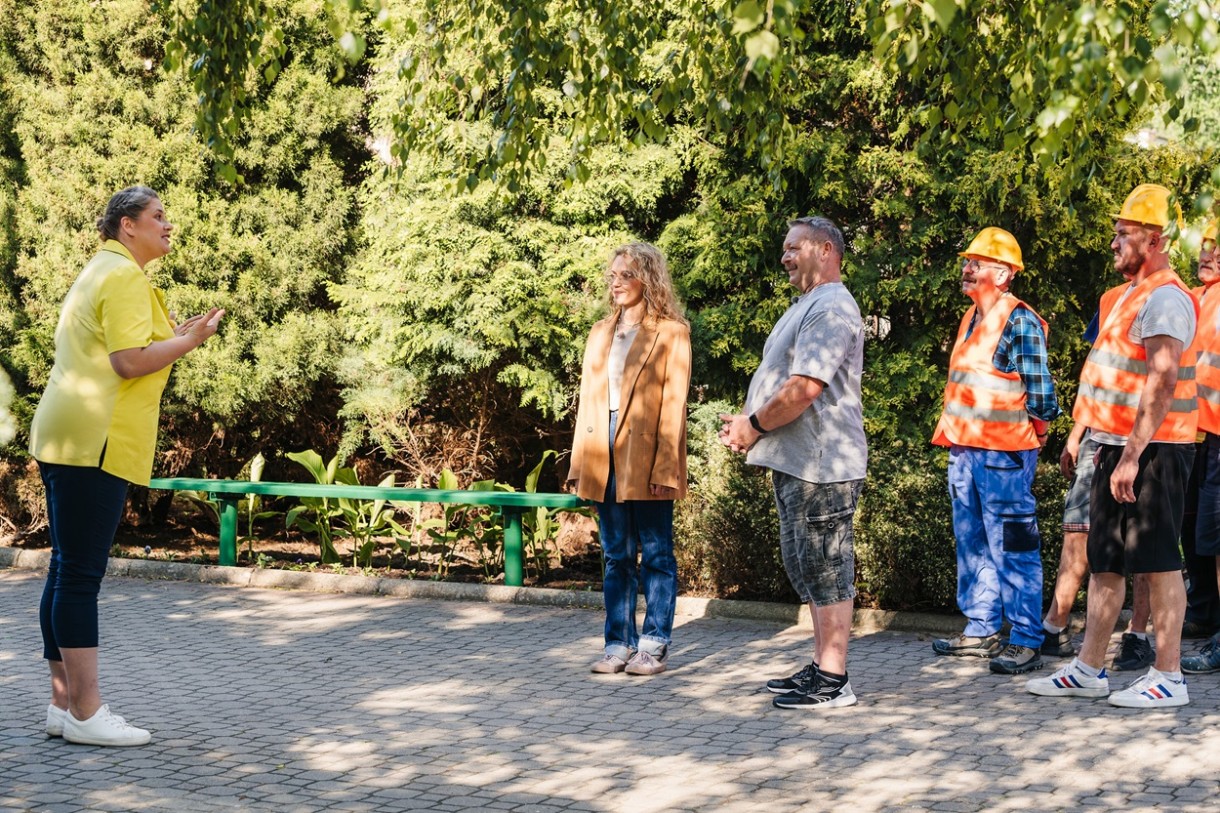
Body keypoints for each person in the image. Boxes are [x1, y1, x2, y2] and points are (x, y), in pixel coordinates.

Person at [30, 186, 224, 746]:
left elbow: (125, 349)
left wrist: (180, 335)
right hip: (96, 439)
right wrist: (190, 344)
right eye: (158, 216)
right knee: (80, 576)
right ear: (127, 225)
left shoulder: (101, 270)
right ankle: (88, 714)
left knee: (65, 569)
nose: (168, 225)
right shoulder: (124, 277)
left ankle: (63, 708)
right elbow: (129, 361)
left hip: (68, 434)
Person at [1028, 183, 1197, 708]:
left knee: (1158, 560)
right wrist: (1098, 442)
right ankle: (1088, 668)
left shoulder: (1166, 296)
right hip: (1114, 446)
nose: (1113, 241)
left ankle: (1168, 677)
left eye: (1123, 233)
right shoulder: (1124, 296)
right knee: (1105, 560)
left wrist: (1131, 454)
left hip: (1156, 449)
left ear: (1155, 239)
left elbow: (1162, 381)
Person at [719, 215, 867, 710]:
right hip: (799, 462)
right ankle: (823, 664)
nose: (784, 256)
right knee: (806, 567)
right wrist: (749, 419)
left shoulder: (830, 307)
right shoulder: (809, 305)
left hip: (823, 465)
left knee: (827, 569)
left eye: (793, 247)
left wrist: (753, 426)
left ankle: (834, 678)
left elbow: (805, 388)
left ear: (825, 250)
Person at [928, 227, 1059, 676]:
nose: (967, 269)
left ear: (1003, 273)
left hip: (1004, 456)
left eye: (977, 263)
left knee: (1013, 546)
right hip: (965, 452)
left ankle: (1025, 638)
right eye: (967, 261)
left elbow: (1043, 396)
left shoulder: (1018, 320)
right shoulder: (971, 317)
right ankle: (982, 628)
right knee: (973, 542)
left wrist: (1035, 437)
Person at [567, 242, 691, 677]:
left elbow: (674, 407)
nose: (615, 282)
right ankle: (618, 642)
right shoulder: (600, 332)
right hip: (602, 447)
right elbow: (587, 403)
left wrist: (666, 469)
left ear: (648, 279)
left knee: (656, 552)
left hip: (647, 449)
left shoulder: (671, 332)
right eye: (613, 275)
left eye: (625, 275)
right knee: (616, 553)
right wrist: (579, 465)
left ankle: (654, 644)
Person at [1183, 218, 1220, 674]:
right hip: (1193, 434)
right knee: (1195, 532)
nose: (1207, 255)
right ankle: (1204, 614)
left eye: (1218, 249)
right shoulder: (1195, 298)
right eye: (1206, 246)